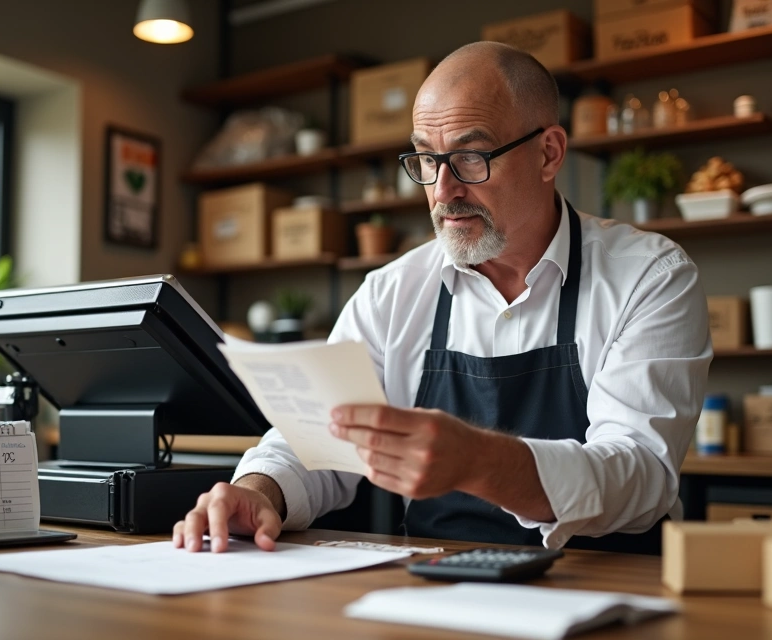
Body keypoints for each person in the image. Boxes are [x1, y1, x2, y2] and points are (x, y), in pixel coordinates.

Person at [173, 42, 712, 555]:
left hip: (608, 588)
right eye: (427, 160)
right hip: (436, 582)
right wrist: (259, 491)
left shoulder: (649, 276)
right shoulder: (392, 292)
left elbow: (639, 474)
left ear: (548, 153)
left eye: (471, 157)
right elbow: (319, 438)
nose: (443, 189)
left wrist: (480, 462)